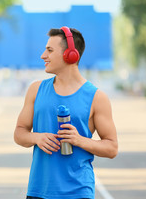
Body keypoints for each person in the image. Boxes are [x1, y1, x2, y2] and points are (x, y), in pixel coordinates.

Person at [14, 27, 118, 199]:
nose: (43, 56)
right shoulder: (35, 90)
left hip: (78, 192)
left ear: (70, 54)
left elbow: (112, 148)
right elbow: (19, 133)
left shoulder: (97, 97)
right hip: (39, 191)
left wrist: (80, 141)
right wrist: (36, 138)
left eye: (49, 50)